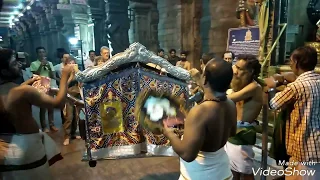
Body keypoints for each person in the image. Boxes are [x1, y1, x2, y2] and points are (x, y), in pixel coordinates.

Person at [0, 48, 73, 179]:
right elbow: (58, 104)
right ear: (4, 71)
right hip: (28, 146)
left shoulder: (17, 89)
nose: (19, 64)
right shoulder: (24, 91)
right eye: (13, 63)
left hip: (6, 146)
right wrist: (65, 76)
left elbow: (10, 95)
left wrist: (25, 84)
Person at [163, 58, 236, 180]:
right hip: (223, 172)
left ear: (205, 78)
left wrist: (169, 133)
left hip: (200, 175)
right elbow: (232, 132)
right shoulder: (230, 104)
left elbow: (187, 154)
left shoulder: (200, 111)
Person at [266, 46, 320, 180]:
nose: (290, 64)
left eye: (290, 61)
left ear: (296, 62)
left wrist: (272, 86)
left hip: (302, 149)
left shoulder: (296, 87)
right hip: (316, 145)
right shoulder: (317, 80)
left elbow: (273, 103)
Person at [224, 54, 262, 180]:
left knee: (245, 172)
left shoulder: (254, 87)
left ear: (250, 72)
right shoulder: (239, 84)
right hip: (233, 132)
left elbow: (228, 98)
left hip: (243, 135)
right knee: (232, 171)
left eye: (240, 69)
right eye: (236, 67)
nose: (235, 71)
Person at [30, 47, 58, 132]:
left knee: (51, 106)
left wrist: (48, 66)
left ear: (45, 53)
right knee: (43, 107)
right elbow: (35, 74)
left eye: (43, 52)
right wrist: (41, 65)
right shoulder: (34, 63)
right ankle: (44, 126)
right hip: (40, 86)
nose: (42, 54)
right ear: (37, 54)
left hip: (49, 85)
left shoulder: (49, 63)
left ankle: (52, 124)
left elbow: (52, 75)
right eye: (40, 52)